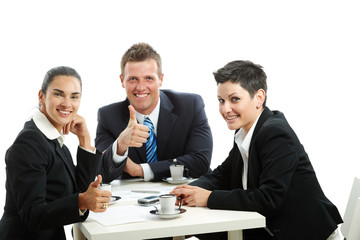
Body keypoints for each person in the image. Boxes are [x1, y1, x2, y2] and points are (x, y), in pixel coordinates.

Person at [171, 60, 343, 240]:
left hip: (307, 234)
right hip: (271, 230)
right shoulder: (245, 132)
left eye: (234, 99)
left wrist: (209, 198)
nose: (225, 109)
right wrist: (188, 190)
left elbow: (269, 198)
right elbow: (222, 175)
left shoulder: (275, 133)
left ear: (259, 98)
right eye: (221, 100)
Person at [0, 66, 112, 240]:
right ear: (41, 96)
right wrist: (81, 201)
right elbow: (32, 215)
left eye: (74, 96)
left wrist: (84, 140)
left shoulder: (54, 142)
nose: (67, 104)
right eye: (58, 94)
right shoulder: (29, 143)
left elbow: (80, 190)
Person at [95, 43, 213, 182]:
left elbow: (200, 162)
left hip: (186, 195)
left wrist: (140, 170)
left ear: (160, 79)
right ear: (122, 81)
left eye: (149, 78)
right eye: (133, 79)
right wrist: (120, 145)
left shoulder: (190, 106)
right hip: (134, 199)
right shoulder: (108, 116)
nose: (140, 87)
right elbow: (102, 174)